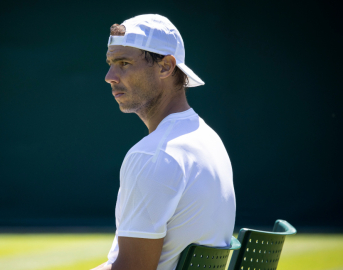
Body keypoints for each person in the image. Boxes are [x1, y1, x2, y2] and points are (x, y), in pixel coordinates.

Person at [92, 14, 236, 270]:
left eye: (124, 63)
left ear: (166, 67)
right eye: (110, 63)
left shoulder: (153, 155)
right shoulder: (209, 139)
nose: (110, 76)